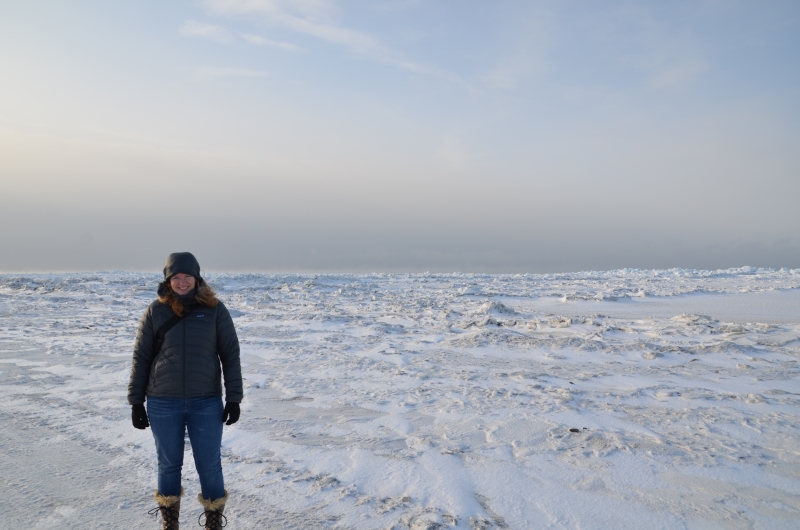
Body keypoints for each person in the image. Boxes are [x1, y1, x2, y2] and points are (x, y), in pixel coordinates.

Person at [128, 252, 242, 530]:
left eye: (186, 276)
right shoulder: (156, 311)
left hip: (206, 401)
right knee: (168, 465)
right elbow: (141, 357)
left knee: (210, 466)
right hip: (162, 401)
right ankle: (170, 523)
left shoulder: (215, 310)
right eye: (175, 278)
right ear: (168, 281)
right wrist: (136, 402)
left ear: (196, 278)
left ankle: (213, 523)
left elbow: (230, 354)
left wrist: (234, 398)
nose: (181, 282)